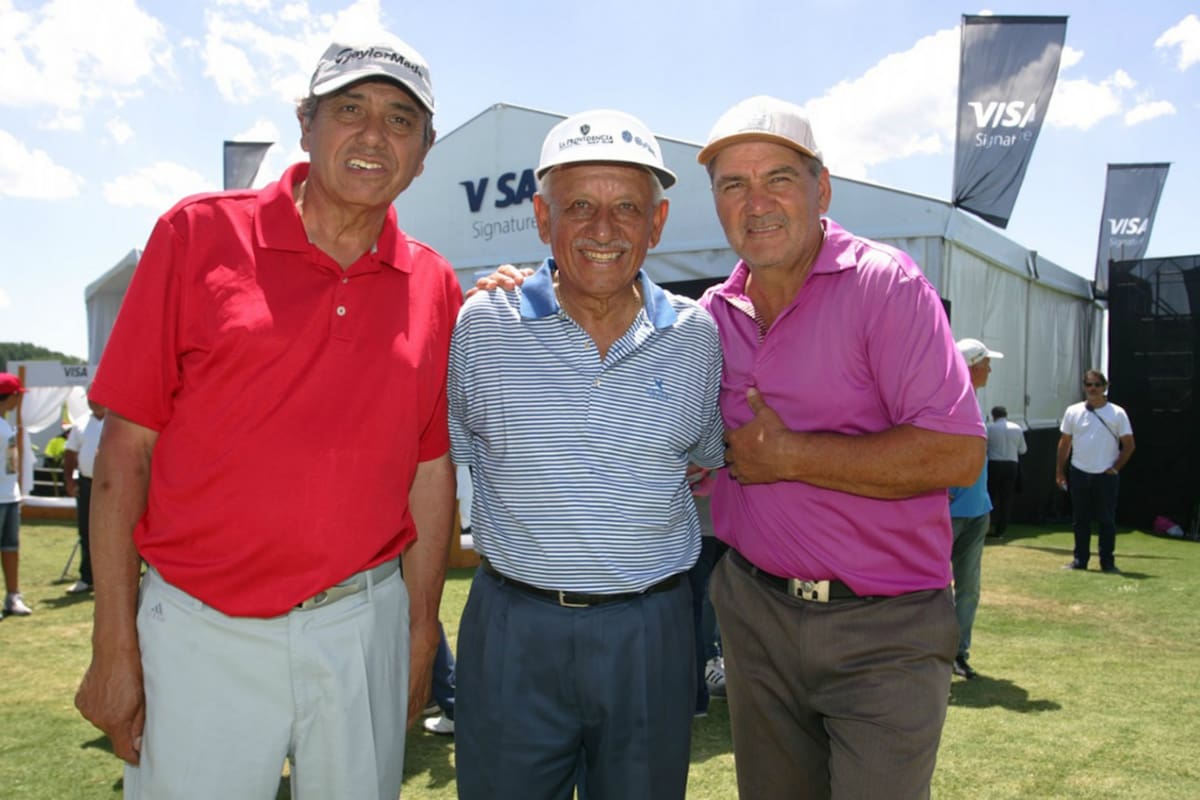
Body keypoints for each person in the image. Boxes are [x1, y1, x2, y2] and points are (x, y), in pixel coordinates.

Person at [73, 34, 461, 800]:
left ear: (424, 151)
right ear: (305, 122)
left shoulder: (435, 283)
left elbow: (429, 469)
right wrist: (113, 643)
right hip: (200, 631)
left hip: (362, 627)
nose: (374, 136)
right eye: (350, 109)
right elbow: (126, 455)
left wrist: (421, 630)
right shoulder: (197, 235)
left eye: (400, 119)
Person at [696, 96, 985, 799]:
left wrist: (791, 455)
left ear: (821, 189)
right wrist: (535, 292)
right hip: (755, 616)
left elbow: (955, 454)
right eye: (733, 184)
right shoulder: (711, 316)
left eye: (778, 179)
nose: (755, 202)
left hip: (884, 628)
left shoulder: (886, 286)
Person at [449, 109, 725, 800]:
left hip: (650, 632)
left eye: (627, 207)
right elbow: (441, 460)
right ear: (542, 219)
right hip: (515, 630)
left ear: (657, 224)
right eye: (579, 207)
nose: (603, 230)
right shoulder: (483, 325)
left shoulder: (697, 336)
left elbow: (704, 459)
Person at [948, 338, 1002, 680]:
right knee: (934, 589)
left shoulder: (972, 400)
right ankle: (929, 654)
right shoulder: (947, 400)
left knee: (968, 589)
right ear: (973, 366)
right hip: (949, 514)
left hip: (977, 510)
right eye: (986, 363)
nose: (990, 369)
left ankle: (957, 654)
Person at [1056, 369, 1135, 573]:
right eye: (1089, 385)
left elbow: (1129, 445)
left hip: (1105, 474)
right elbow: (1065, 442)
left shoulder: (1117, 413)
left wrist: (1115, 468)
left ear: (1105, 387)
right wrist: (1060, 470)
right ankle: (1080, 560)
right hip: (1079, 471)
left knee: (1106, 520)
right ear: (1084, 387)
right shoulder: (1073, 411)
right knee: (1080, 519)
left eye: (1097, 385)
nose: (1092, 389)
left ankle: (1107, 562)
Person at [63, 396, 107, 594]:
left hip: (113, 485)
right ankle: (87, 577)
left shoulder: (117, 422)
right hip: (87, 483)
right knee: (86, 530)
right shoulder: (80, 423)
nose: (94, 401)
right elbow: (70, 453)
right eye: (91, 398)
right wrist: (69, 481)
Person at [1, 372, 32, 618]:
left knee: (11, 547)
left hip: (10, 495)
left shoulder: (6, 424)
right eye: (17, 397)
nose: (18, 402)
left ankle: (13, 596)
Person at [986, 404, 1027, 538]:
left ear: (993, 416)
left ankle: (986, 526)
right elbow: (1023, 450)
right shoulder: (1017, 428)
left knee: (990, 497)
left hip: (994, 464)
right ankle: (1001, 530)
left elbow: (984, 447)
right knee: (1006, 498)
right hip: (1011, 464)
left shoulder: (989, 428)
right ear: (1006, 414)